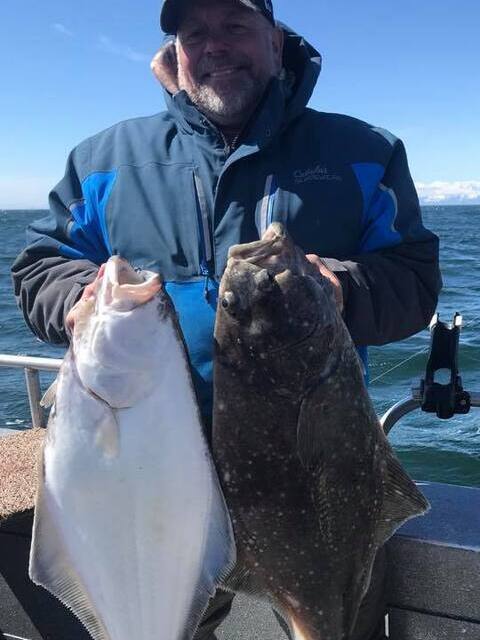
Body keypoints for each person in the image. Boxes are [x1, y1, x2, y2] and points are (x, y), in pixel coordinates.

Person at [12, 0, 441, 638]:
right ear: (173, 50)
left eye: (235, 26)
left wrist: (341, 291)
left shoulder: (364, 152)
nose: (214, 45)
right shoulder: (102, 159)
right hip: (158, 463)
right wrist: (81, 296)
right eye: (195, 32)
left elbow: (412, 279)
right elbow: (41, 266)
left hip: (309, 461)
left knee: (330, 618)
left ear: (275, 40)